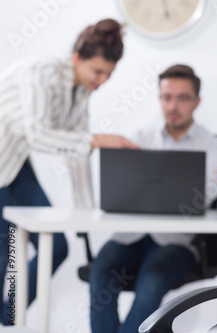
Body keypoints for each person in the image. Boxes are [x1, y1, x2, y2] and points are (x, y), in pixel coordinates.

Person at [0, 18, 138, 325]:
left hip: (14, 165)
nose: (101, 80)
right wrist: (100, 140)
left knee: (58, 246)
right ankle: (7, 319)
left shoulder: (81, 92)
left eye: (108, 74)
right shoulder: (41, 73)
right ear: (78, 58)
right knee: (4, 254)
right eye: (98, 71)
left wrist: (86, 214)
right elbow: (39, 135)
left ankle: (8, 316)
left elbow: (77, 154)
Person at [89, 64, 217, 333]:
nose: (172, 105)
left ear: (196, 102)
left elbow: (205, 194)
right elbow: (119, 187)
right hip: (130, 236)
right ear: (159, 99)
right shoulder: (139, 139)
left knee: (152, 280)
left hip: (176, 242)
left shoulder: (214, 147)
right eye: (166, 97)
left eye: (182, 98)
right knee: (102, 271)